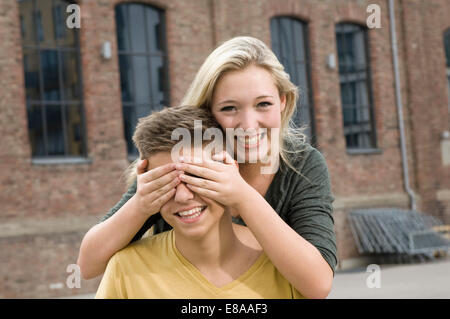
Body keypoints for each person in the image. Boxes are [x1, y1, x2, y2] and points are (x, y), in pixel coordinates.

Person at [78, 36, 337, 299]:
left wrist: (241, 195)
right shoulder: (183, 153)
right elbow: (88, 265)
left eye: (263, 104)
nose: (248, 124)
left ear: (282, 102)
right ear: (208, 113)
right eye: (229, 108)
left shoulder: (302, 164)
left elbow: (318, 285)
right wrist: (141, 203)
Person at [95, 105, 304, 298]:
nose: (183, 196)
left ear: (230, 169)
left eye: (196, 176)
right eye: (166, 183)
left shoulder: (286, 264)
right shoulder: (126, 269)